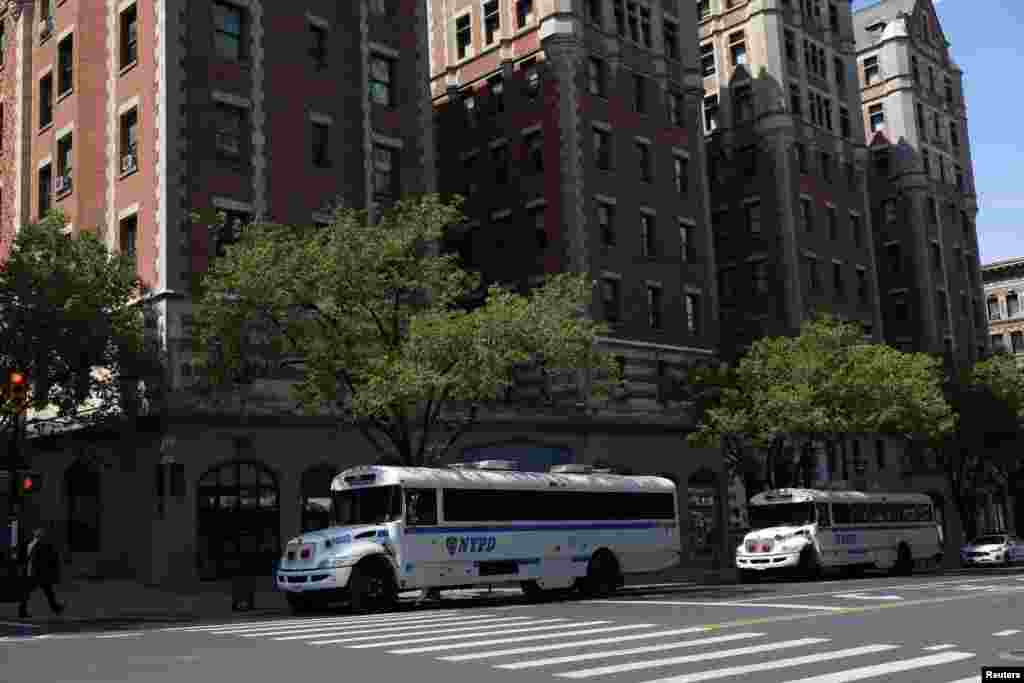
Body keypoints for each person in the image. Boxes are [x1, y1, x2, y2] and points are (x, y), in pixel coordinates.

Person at [18, 527, 64, 619]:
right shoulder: (40, 544)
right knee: (43, 591)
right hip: (35, 573)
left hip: (35, 572)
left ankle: (55, 608)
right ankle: (22, 611)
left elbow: (51, 559)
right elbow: (50, 559)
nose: (41, 534)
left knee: (46, 591)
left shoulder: (31, 544)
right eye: (40, 532)